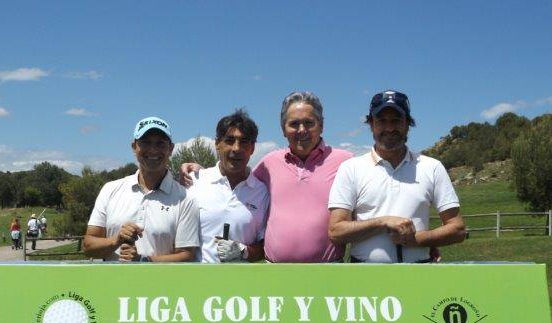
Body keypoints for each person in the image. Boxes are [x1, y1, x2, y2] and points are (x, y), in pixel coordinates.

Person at [180, 91, 353, 262]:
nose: (302, 130)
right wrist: (202, 174)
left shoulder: (345, 161)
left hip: (328, 272)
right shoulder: (269, 163)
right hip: (273, 276)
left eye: (309, 123)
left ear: (321, 125)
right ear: (283, 129)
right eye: (294, 124)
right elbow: (236, 175)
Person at [328, 90, 466, 263]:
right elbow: (335, 232)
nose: (389, 128)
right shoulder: (351, 168)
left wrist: (417, 240)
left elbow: (457, 229)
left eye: (396, 121)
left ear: (408, 123)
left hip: (418, 276)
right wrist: (382, 222)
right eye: (381, 121)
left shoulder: (431, 167)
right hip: (364, 278)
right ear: (371, 124)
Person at [83, 116, 199, 262]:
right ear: (134, 147)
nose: (153, 150)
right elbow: (88, 246)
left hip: (162, 285)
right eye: (145, 143)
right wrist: (116, 240)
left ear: (170, 149)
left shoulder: (185, 199)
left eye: (160, 144)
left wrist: (143, 260)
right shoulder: (110, 189)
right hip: (112, 284)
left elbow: (186, 255)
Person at [188, 109, 269, 263]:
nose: (236, 148)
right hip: (198, 282)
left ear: (252, 148)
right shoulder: (195, 182)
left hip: (242, 284)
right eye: (229, 140)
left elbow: (266, 245)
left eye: (244, 142)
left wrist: (244, 251)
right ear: (217, 144)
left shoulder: (261, 192)